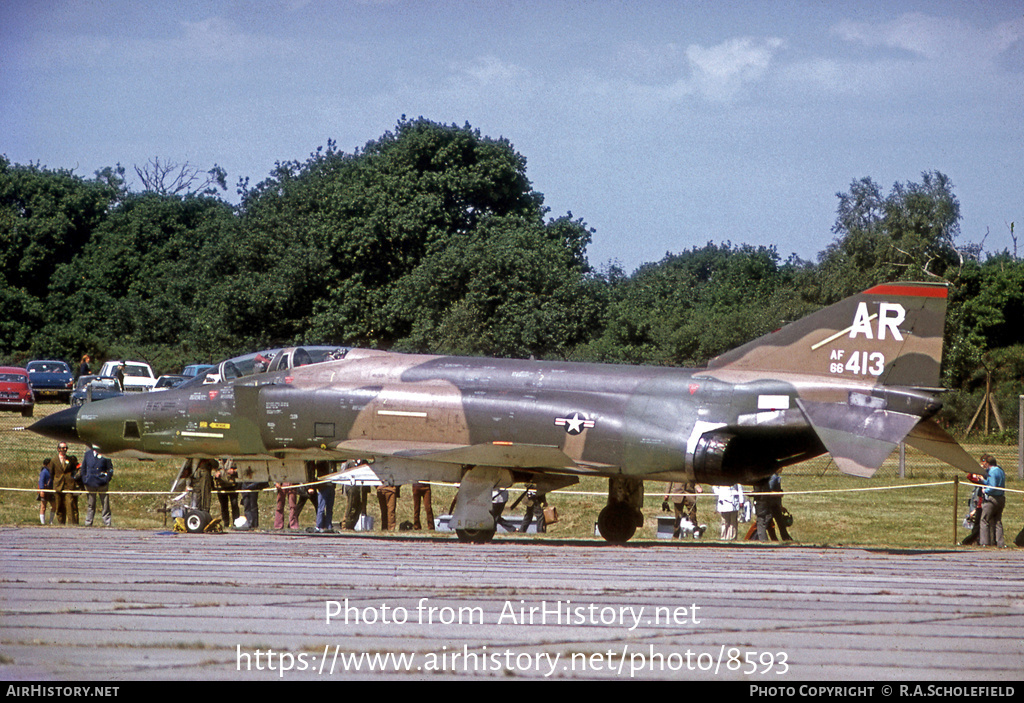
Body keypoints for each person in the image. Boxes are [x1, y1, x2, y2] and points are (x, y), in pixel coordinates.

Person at [753, 472, 792, 542]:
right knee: (767, 523)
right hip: (770, 504)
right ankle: (770, 539)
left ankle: (785, 538)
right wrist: (778, 494)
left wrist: (780, 503)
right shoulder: (773, 477)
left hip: (775, 504)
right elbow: (769, 491)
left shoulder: (775, 476)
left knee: (779, 522)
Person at [81, 447, 113, 527]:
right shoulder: (87, 454)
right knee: (91, 504)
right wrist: (85, 479)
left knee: (105, 504)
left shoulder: (105, 454)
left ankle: (107, 522)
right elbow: (83, 468)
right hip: (90, 483)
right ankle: (88, 522)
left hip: (102, 484)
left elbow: (110, 468)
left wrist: (106, 479)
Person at [978, 454, 1005, 548]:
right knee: (998, 521)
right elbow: (993, 483)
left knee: (984, 520)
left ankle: (985, 542)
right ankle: (1000, 543)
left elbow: (992, 486)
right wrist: (983, 480)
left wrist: (985, 490)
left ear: (987, 463)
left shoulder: (992, 472)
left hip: (992, 498)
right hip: (1001, 498)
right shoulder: (1000, 470)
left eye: (984, 463)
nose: (983, 465)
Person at [50, 442, 77, 525]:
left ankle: (71, 525)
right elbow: (51, 473)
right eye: (62, 448)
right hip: (58, 486)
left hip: (68, 486)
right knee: (59, 507)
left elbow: (74, 471)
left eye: (66, 448)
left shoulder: (70, 460)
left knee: (70, 505)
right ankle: (61, 524)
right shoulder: (54, 460)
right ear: (58, 449)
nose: (64, 450)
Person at [213, 462, 240, 527]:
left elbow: (241, 469)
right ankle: (226, 523)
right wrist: (215, 474)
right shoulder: (216, 459)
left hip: (232, 485)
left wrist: (234, 471)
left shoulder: (233, 459)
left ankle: (236, 523)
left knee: (234, 505)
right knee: (223, 506)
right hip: (220, 486)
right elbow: (211, 470)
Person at [38, 458, 55, 524]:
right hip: (45, 490)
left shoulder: (51, 471)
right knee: (43, 506)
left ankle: (51, 521)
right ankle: (43, 522)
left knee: (54, 506)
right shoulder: (44, 471)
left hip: (50, 490)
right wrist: (42, 490)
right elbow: (41, 481)